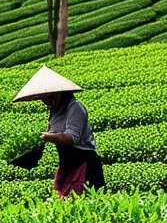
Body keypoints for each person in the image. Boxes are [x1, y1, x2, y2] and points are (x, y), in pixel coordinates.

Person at [12, 65, 104, 197]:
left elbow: (71, 137)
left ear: (57, 93)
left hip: (84, 166)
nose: (44, 101)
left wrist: (45, 137)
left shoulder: (75, 108)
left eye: (47, 96)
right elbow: (54, 134)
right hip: (67, 166)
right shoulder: (55, 111)